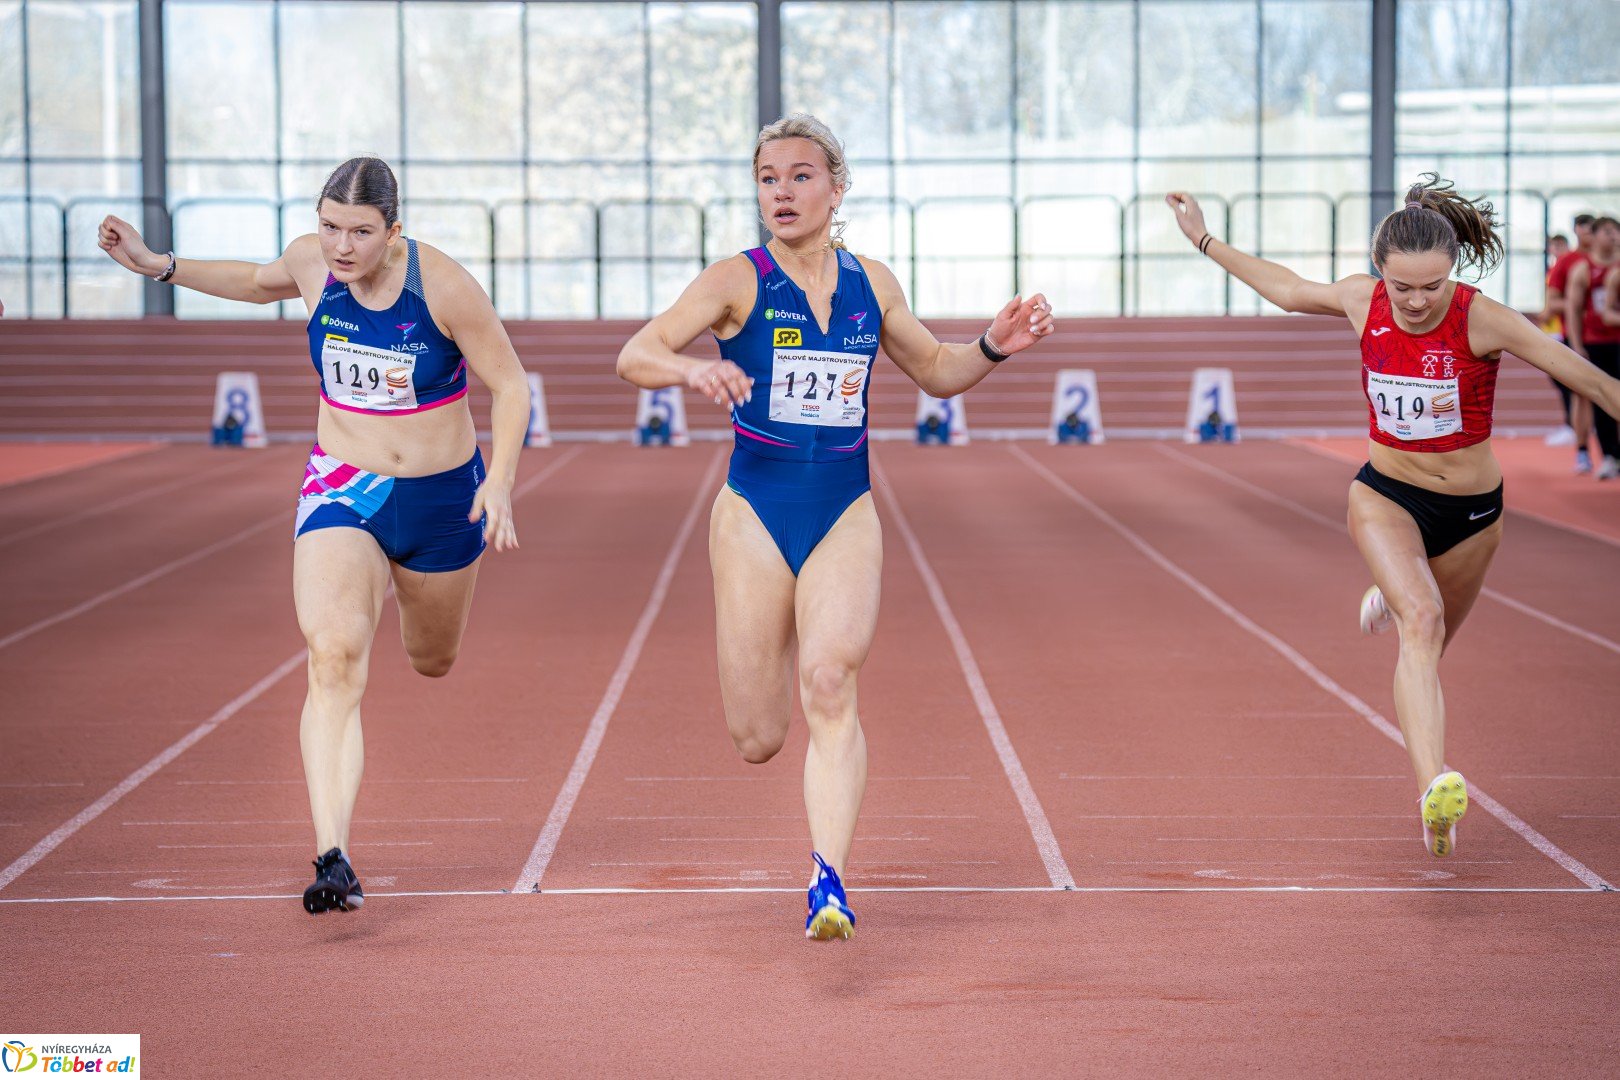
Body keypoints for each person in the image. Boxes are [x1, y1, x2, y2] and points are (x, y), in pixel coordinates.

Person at [616, 114, 1053, 939]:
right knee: (757, 735)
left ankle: (829, 882)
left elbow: (935, 372)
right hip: (753, 511)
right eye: (768, 178)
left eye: (800, 176)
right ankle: (768, 690)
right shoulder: (734, 281)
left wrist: (992, 345)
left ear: (836, 187)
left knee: (830, 680)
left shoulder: (872, 283)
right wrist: (693, 368)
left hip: (844, 508)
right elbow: (636, 353)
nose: (781, 191)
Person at [98, 157, 530, 913]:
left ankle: (418, 603)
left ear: (394, 232)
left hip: (440, 499)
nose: (340, 247)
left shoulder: (445, 286)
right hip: (344, 488)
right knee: (333, 655)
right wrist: (153, 264)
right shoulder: (311, 263)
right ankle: (333, 854)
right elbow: (253, 281)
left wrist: (499, 482)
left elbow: (513, 383)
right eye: (330, 226)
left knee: (433, 659)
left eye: (359, 233)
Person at [1166, 176, 1620, 859]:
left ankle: (1397, 585)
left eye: (1430, 287)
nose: (1414, 302)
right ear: (1381, 271)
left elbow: (1591, 380)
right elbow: (1287, 289)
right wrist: (1203, 238)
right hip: (1386, 494)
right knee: (1422, 621)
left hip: (1472, 514)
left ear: (1453, 270)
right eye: (1401, 287)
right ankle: (1435, 792)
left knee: (1432, 648)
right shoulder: (1361, 299)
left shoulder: (1483, 318)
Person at [1563, 217, 1620, 479]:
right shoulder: (1583, 268)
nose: (1614, 236)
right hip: (1596, 342)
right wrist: (1575, 344)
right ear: (1595, 236)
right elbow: (1573, 309)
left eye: (1617, 232)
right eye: (1608, 232)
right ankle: (1607, 454)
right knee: (1602, 398)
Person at [1545, 215, 1597, 471]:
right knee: (1580, 393)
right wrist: (1576, 305)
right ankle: (1582, 450)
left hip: (1610, 337)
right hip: (1575, 338)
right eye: (1584, 230)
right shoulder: (1567, 262)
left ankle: (1611, 453)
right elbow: (1550, 304)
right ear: (1576, 231)